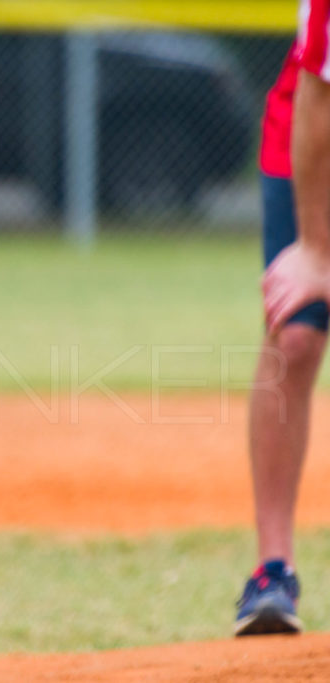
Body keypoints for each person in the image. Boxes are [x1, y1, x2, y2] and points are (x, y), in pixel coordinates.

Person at [235, 0, 330, 637]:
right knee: (296, 333)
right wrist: (319, 250)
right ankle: (273, 571)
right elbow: (319, 103)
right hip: (311, 141)